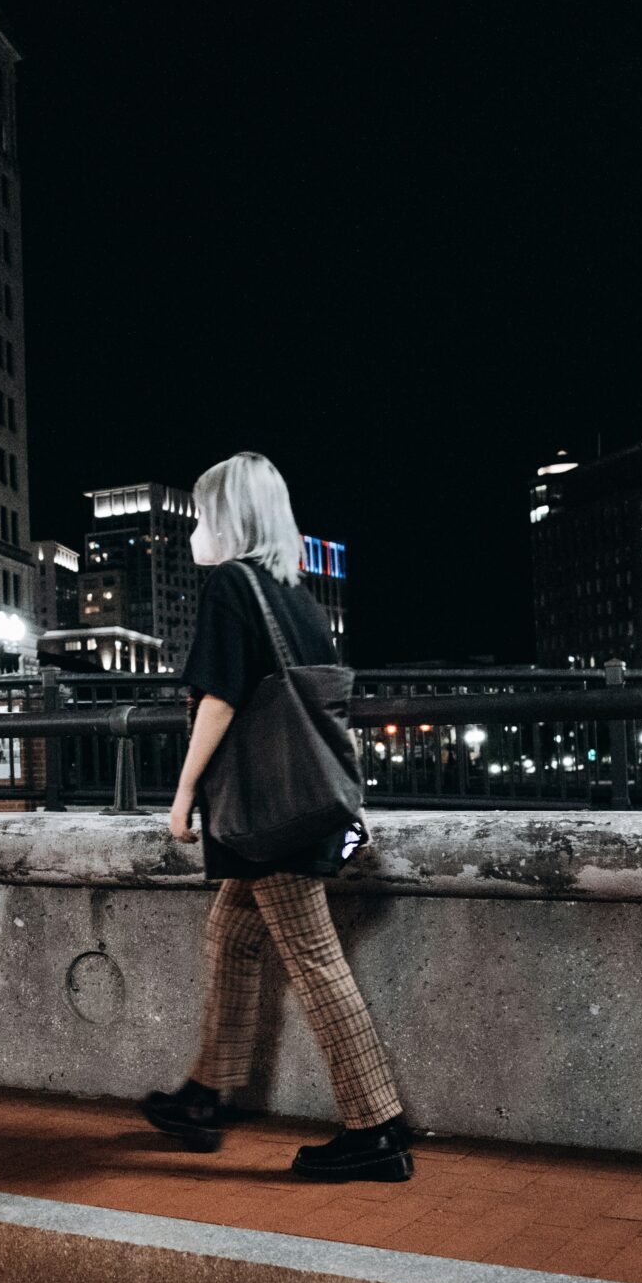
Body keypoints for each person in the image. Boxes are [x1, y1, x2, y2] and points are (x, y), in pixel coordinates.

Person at [143, 450, 412, 1183]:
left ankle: (375, 1128)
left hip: (270, 813)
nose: (197, 525)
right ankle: (204, 1095)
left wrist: (181, 795)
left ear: (228, 517)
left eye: (204, 511)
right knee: (231, 936)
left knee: (316, 961)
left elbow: (220, 701)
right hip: (300, 803)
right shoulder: (293, 598)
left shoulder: (232, 585)